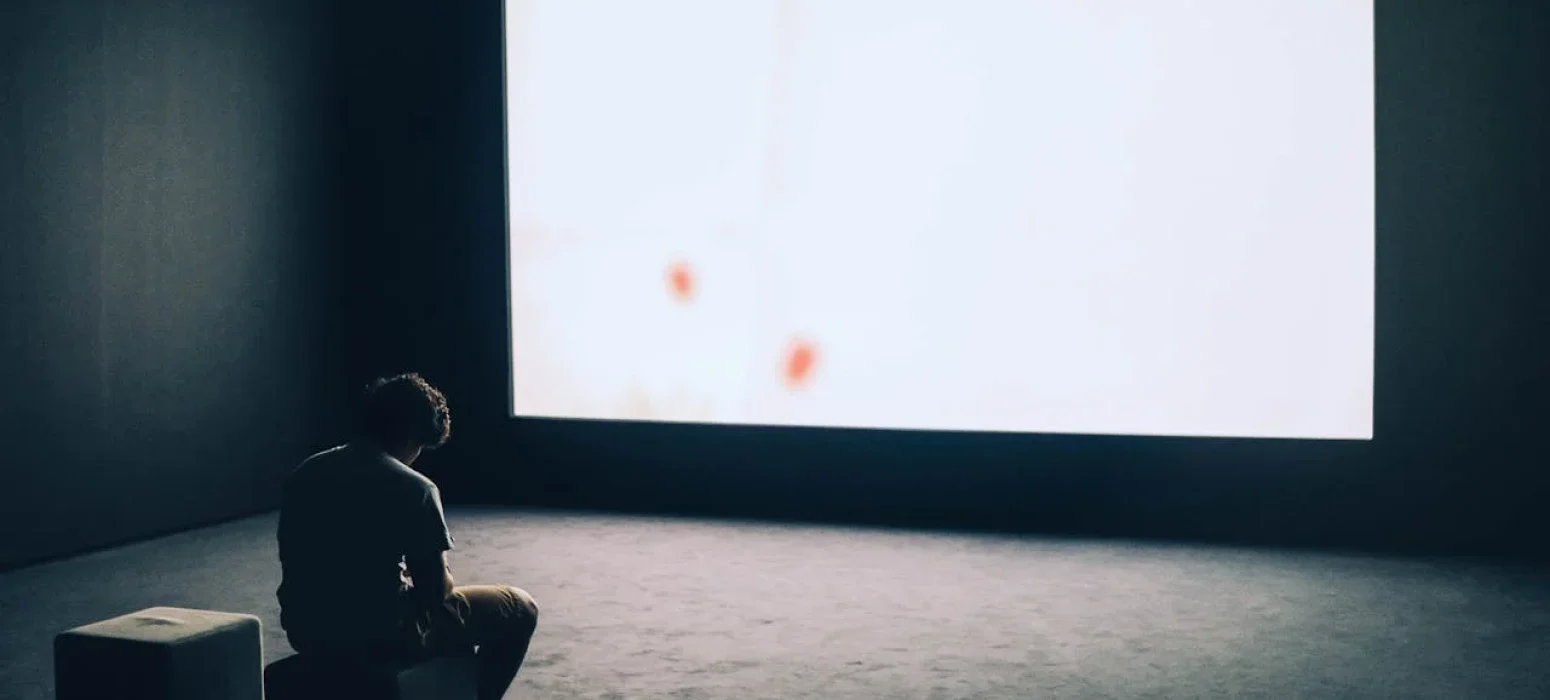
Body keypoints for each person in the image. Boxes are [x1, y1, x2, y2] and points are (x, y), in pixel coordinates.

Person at [276, 373, 538, 700]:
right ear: (415, 434)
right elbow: (434, 591)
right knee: (519, 607)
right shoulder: (415, 488)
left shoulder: (306, 472)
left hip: (306, 629)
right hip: (381, 636)